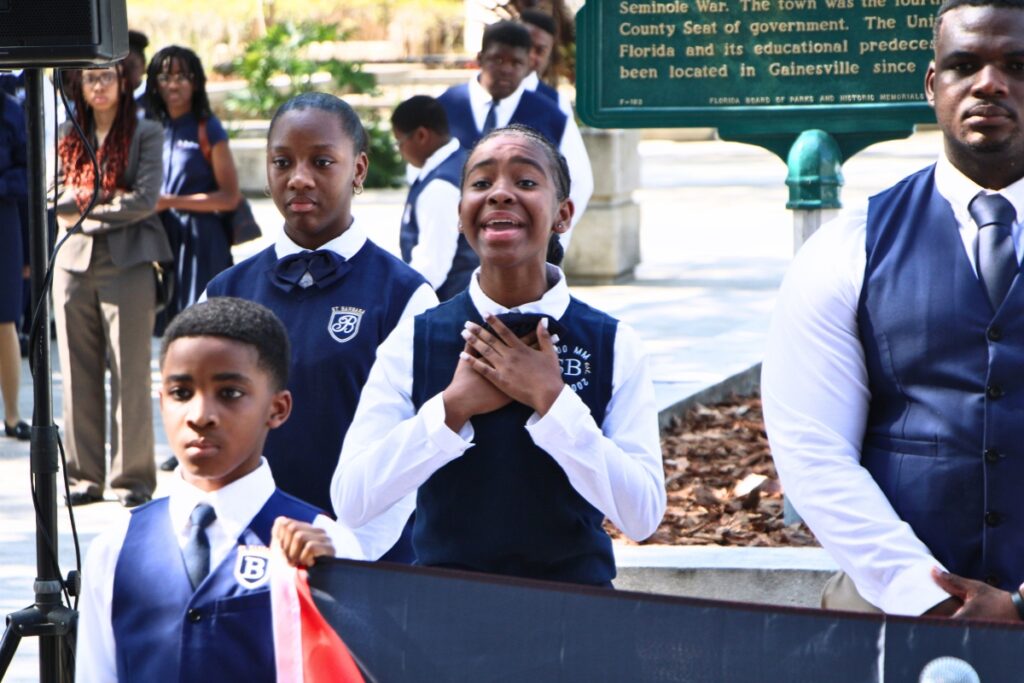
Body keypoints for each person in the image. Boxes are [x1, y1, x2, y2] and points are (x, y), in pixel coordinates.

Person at [763, 0, 1024, 621]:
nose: (989, 83)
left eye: (1017, 63)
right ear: (934, 85)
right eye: (964, 65)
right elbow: (814, 450)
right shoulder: (848, 246)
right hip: (891, 605)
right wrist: (924, 595)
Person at [332, 125, 666, 586]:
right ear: (461, 212)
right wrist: (452, 409)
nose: (500, 194)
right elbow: (351, 501)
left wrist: (553, 402)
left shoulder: (611, 342)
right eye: (482, 183)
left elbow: (643, 515)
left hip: (578, 615)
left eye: (526, 182)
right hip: (445, 616)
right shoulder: (417, 339)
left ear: (563, 215)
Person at [74, 297, 364, 683]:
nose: (200, 416)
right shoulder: (114, 549)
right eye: (181, 393)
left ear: (277, 409)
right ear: (161, 403)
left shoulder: (328, 544)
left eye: (229, 393)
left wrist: (332, 582)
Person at [205, 93, 436, 560]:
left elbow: (420, 447)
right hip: (252, 554)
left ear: (359, 169)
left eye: (322, 161)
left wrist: (350, 547)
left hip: (373, 561)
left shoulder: (404, 295)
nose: (299, 178)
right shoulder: (225, 292)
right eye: (282, 162)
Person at [53, 63, 172, 507]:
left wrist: (83, 205)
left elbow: (143, 200)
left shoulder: (147, 133)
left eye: (107, 77)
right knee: (76, 375)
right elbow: (50, 195)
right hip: (71, 264)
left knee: (131, 373)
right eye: (90, 78)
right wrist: (105, 194)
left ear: (124, 83)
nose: (99, 85)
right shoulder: (67, 132)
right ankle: (84, 477)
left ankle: (132, 480)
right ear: (79, 87)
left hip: (130, 263)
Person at [436, 20, 592, 244]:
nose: (506, 69)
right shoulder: (445, 106)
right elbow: (424, 173)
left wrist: (552, 236)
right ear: (480, 59)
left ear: (529, 65)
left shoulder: (551, 116)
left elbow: (579, 182)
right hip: (451, 248)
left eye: (516, 62)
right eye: (497, 59)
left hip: (525, 248)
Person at [145, 45, 241, 327]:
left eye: (182, 76)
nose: (173, 84)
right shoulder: (152, 126)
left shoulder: (208, 127)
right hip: (162, 238)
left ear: (195, 82)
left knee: (203, 324)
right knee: (169, 328)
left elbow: (229, 197)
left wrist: (171, 202)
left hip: (202, 239)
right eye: (165, 77)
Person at [391, 95, 477, 301]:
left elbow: (432, 267)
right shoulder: (462, 161)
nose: (400, 151)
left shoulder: (440, 186)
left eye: (399, 142)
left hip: (450, 304)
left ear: (421, 135)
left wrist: (396, 303)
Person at [0, 90, 28, 440]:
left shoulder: (10, 108)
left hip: (3, 217)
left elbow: (28, 172)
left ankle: (12, 414)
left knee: (5, 317)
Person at [518, 9, 572, 117]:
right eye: (526, 46)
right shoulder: (479, 93)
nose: (531, 55)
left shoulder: (558, 105)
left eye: (539, 51)